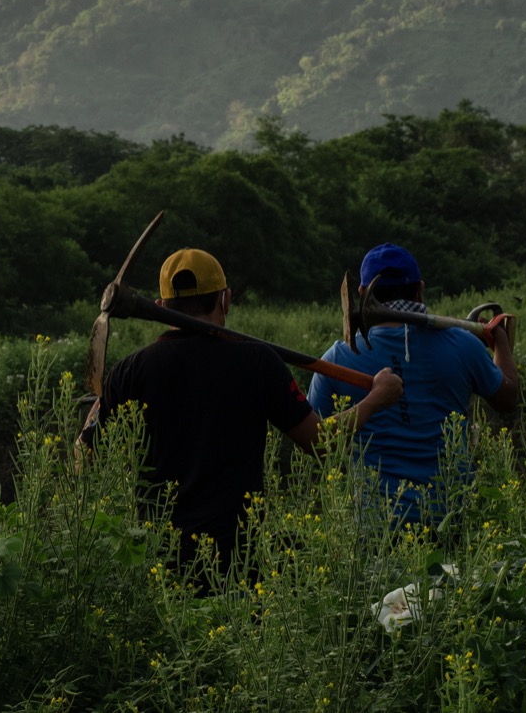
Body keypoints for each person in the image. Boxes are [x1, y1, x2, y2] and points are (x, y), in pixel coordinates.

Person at [79, 248, 402, 585]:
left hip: (157, 567)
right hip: (239, 567)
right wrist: (377, 398)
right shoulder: (258, 362)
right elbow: (321, 443)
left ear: (161, 307)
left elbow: (83, 451)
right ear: (225, 300)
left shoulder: (128, 372)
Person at [307, 243, 519, 530]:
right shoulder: (463, 345)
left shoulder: (338, 358)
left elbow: (313, 439)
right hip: (450, 522)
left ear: (361, 295)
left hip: (376, 531)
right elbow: (508, 399)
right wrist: (502, 346)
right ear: (419, 290)